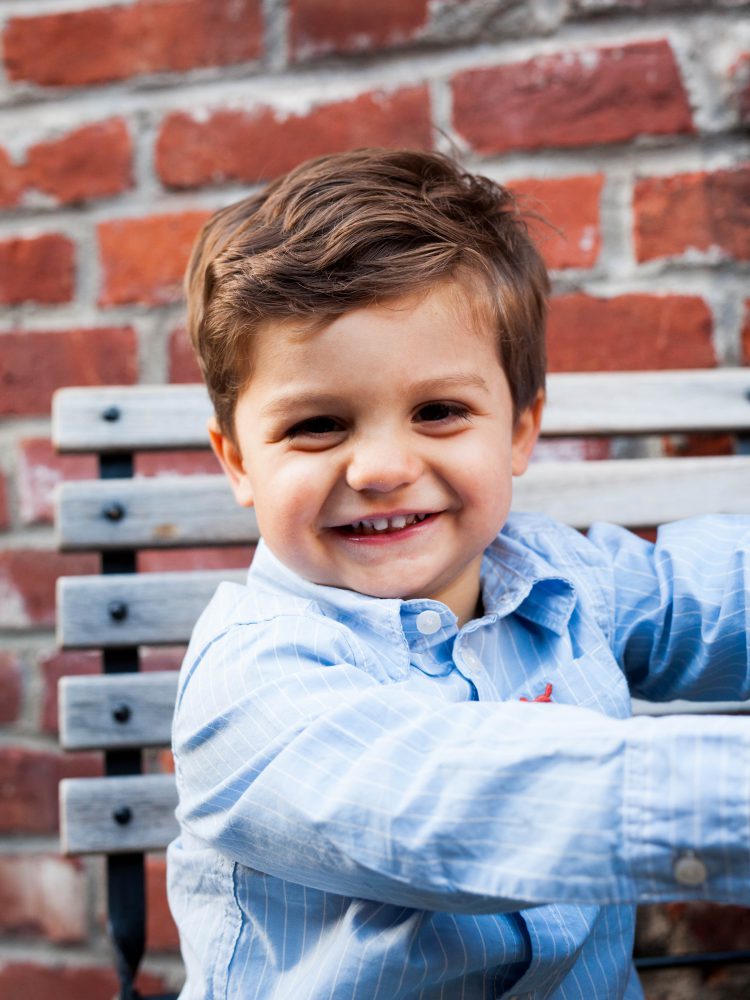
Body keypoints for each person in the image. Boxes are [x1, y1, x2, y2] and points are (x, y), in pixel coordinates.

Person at [167, 148, 750, 1000]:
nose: (380, 467)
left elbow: (707, 596)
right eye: (318, 424)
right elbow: (445, 802)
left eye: (438, 411)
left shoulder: (557, 579)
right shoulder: (250, 687)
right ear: (238, 461)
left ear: (519, 428)